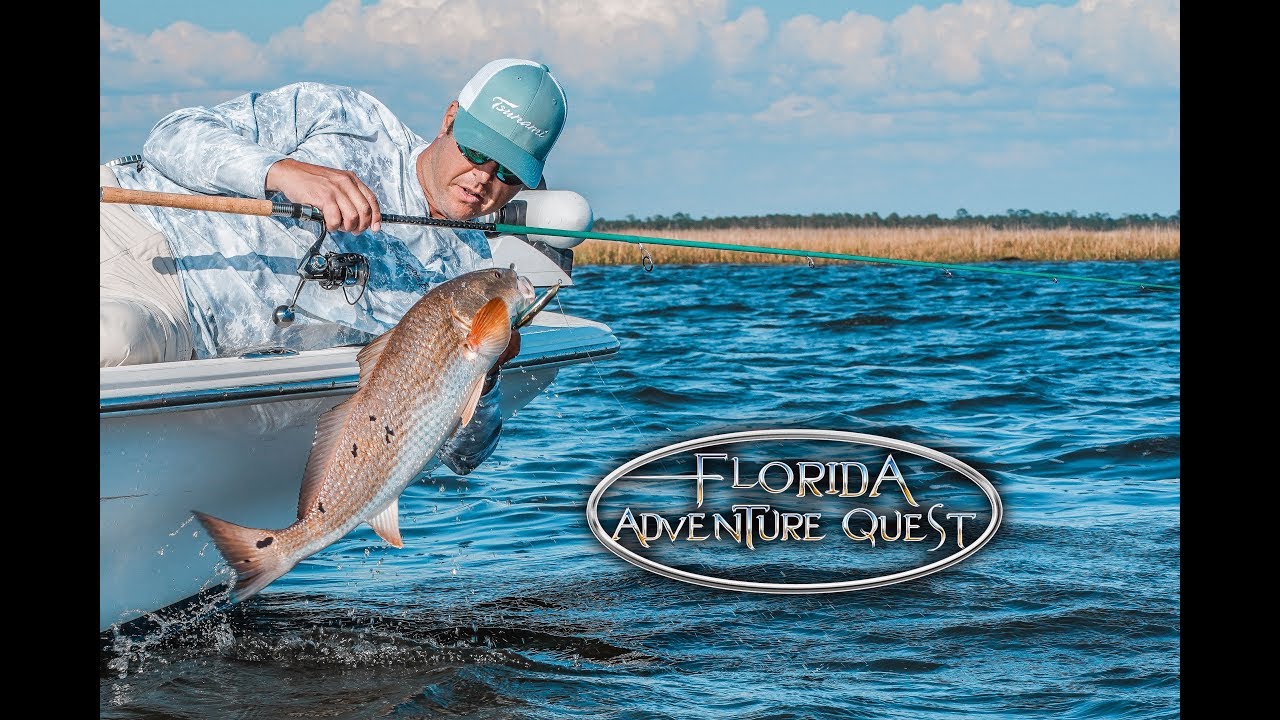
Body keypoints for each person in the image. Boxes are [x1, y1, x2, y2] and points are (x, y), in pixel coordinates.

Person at [100, 58, 569, 473]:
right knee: (117, 340)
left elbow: (462, 457)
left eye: (508, 172)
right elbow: (171, 136)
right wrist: (283, 172)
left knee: (123, 336)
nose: (483, 179)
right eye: (478, 152)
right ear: (450, 119)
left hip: (189, 330)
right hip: (137, 230)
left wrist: (484, 374)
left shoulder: (469, 283)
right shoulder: (348, 116)